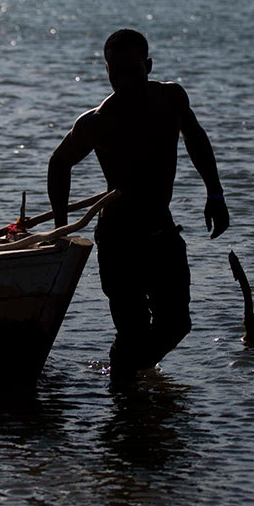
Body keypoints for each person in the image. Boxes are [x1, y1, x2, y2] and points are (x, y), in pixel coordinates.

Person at [48, 28, 229, 379]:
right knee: (132, 329)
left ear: (148, 65)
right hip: (119, 240)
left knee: (176, 324)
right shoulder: (99, 121)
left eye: (134, 71)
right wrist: (60, 227)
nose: (126, 81)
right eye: (117, 73)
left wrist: (215, 194)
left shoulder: (171, 100)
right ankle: (125, 388)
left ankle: (126, 376)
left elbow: (195, 137)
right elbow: (59, 164)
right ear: (107, 71)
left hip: (161, 232)